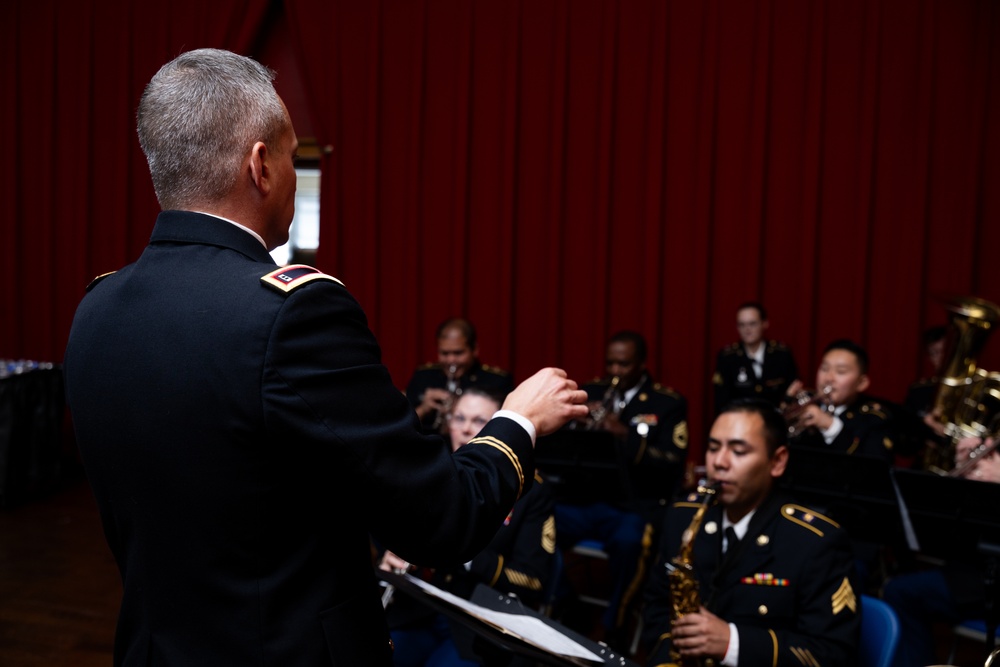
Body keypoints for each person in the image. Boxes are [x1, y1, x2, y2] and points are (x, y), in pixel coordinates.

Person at [62, 48, 588, 667]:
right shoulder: (291, 314)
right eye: (293, 158)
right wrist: (518, 421)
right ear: (261, 165)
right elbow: (439, 521)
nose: (294, 174)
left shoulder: (96, 308)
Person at [642, 398, 861, 667]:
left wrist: (732, 643)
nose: (719, 462)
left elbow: (832, 654)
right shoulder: (682, 517)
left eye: (739, 451)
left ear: (777, 461)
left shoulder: (816, 542)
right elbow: (655, 609)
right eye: (713, 448)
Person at [379, 387, 556, 667]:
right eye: (459, 418)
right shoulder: (426, 470)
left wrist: (458, 552)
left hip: (476, 622)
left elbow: (533, 578)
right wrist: (391, 553)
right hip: (415, 608)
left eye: (479, 421)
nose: (464, 430)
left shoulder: (530, 489)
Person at [556, 331, 689, 645]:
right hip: (586, 500)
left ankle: (615, 626)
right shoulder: (592, 392)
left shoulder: (667, 402)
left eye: (624, 364)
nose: (615, 372)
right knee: (534, 522)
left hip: (634, 505)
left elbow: (673, 461)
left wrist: (624, 434)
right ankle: (567, 604)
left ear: (641, 365)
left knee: (631, 544)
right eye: (611, 363)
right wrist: (578, 427)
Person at [882, 436, 1000, 667]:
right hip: (976, 567)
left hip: (990, 579)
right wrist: (966, 477)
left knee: (901, 592)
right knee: (901, 585)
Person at [785, 339, 895, 463]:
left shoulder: (874, 419)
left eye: (841, 371)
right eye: (824, 369)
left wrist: (830, 426)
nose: (829, 378)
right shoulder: (806, 402)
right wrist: (786, 404)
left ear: (861, 383)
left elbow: (874, 468)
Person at [406, 318, 515, 433]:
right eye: (445, 353)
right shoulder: (423, 376)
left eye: (458, 353)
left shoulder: (496, 381)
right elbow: (401, 427)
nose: (451, 360)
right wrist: (423, 409)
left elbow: (505, 428)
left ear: (475, 350)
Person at [713, 302, 799, 413]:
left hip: (776, 422)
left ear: (765, 323)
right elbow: (722, 402)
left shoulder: (781, 355)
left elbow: (793, 391)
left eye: (752, 324)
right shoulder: (728, 358)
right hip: (740, 423)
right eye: (742, 325)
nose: (747, 329)